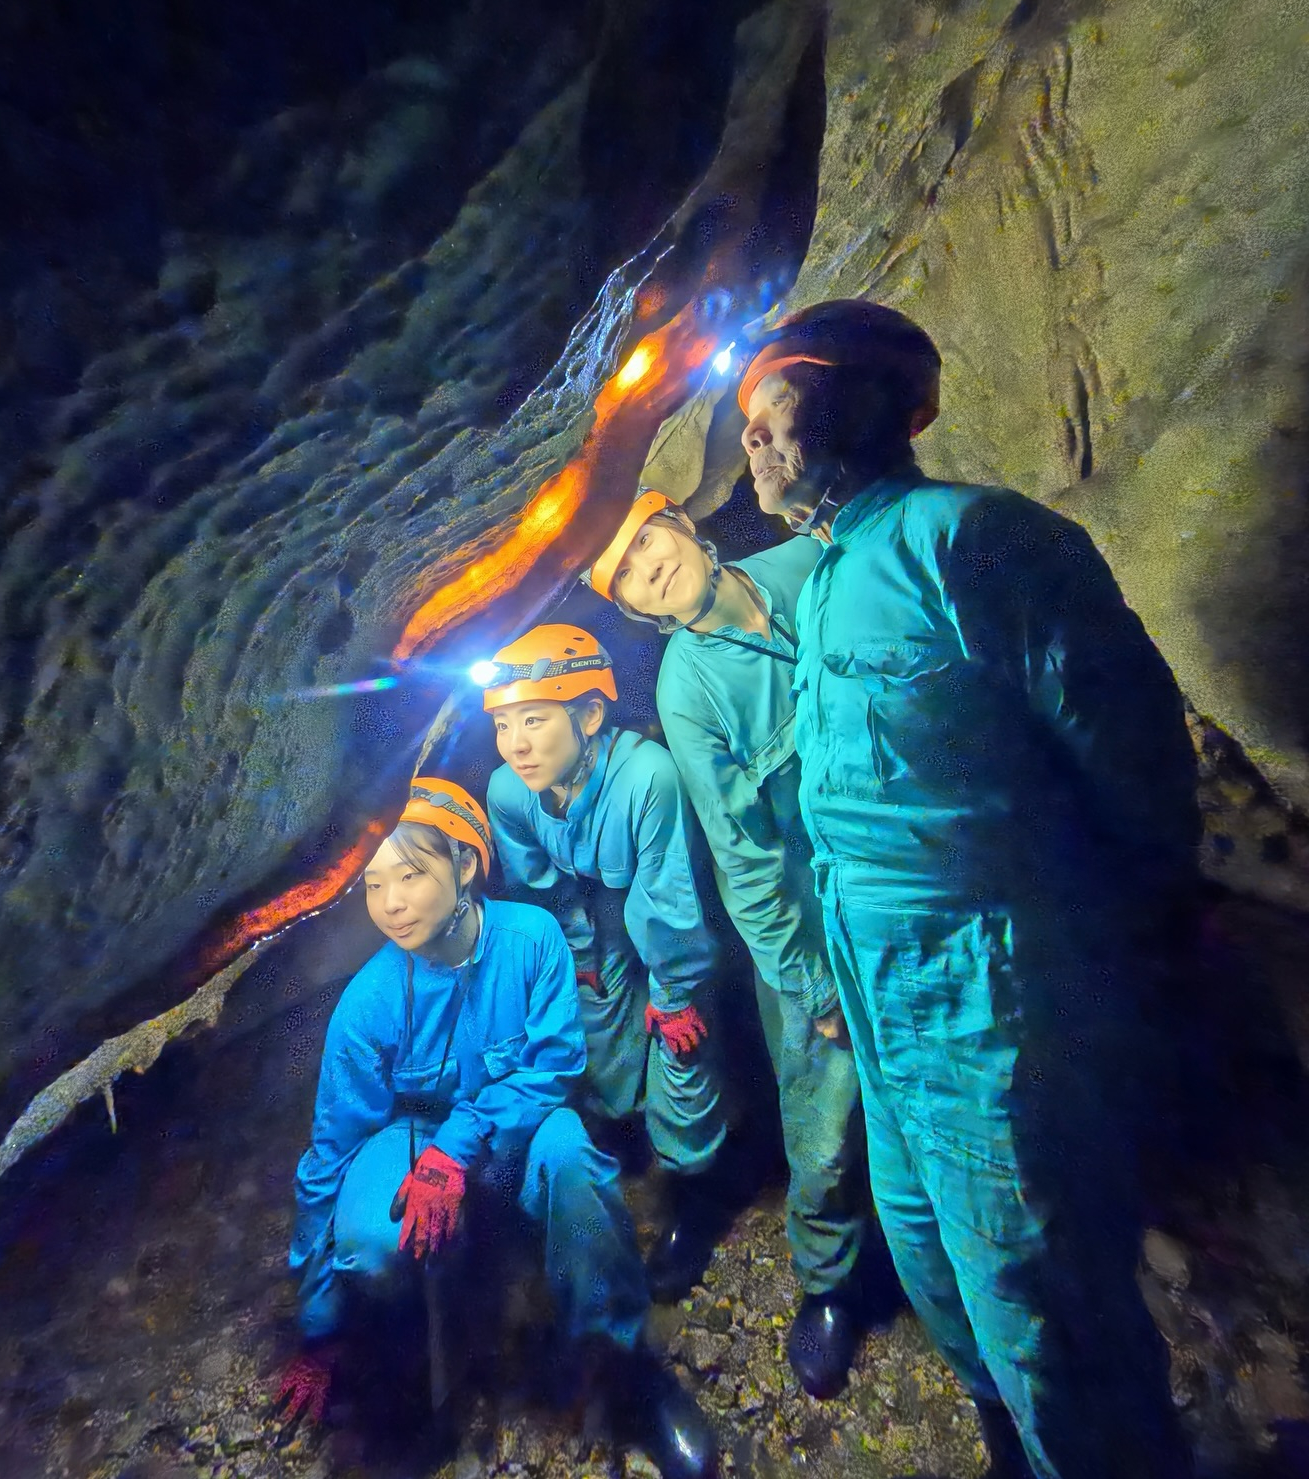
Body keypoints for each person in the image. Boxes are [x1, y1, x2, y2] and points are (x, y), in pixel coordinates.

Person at [734, 298, 1200, 1479]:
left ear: (857, 400)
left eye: (769, 405)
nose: (749, 439)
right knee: (937, 1257)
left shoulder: (975, 540)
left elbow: (1127, 744)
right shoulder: (828, 580)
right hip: (882, 997)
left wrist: (1134, 930)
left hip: (990, 991)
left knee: (1037, 1289)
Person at [280, 777, 717, 1479]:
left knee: (572, 1155)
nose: (390, 902)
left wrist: (458, 1149)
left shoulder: (532, 940)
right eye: (373, 883)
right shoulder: (368, 1003)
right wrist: (319, 1326)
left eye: (412, 874)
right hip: (413, 1141)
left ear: (466, 864)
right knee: (366, 1237)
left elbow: (555, 1064)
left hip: (512, 1137)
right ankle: (407, 1364)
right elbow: (330, 1155)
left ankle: (626, 1367)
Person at [583, 489, 869, 1400]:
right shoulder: (688, 688)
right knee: (822, 1118)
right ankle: (830, 1285)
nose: (648, 564)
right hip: (809, 914)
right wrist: (810, 987)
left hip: (903, 871)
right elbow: (745, 860)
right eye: (626, 571)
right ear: (636, 608)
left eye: (648, 540)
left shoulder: (801, 565)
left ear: (687, 530)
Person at [481, 625, 730, 1300]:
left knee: (681, 1048)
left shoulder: (647, 776)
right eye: (505, 724)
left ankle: (695, 1193)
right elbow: (539, 886)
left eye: (535, 719)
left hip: (673, 908)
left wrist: (675, 992)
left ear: (589, 714)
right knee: (599, 1022)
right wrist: (580, 954)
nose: (517, 743)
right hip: (598, 909)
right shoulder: (510, 792)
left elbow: (671, 897)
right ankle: (625, 1133)